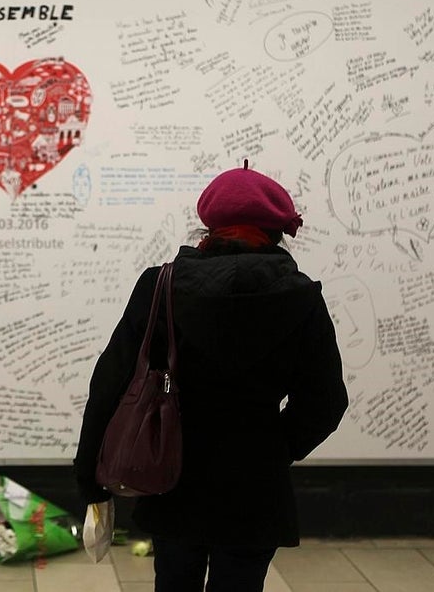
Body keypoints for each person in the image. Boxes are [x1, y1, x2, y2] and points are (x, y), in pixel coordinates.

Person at [74, 162, 348, 592]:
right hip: (256, 484)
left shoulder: (161, 285)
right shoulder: (302, 297)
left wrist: (89, 477)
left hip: (171, 472)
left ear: (210, 223)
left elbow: (109, 382)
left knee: (175, 581)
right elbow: (326, 402)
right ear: (276, 230)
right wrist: (275, 448)